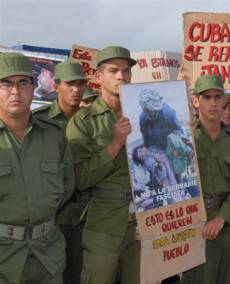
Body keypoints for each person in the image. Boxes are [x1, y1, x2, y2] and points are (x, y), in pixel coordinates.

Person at [66, 46, 140, 283]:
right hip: (103, 224)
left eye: (126, 71)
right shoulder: (83, 122)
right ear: (98, 77)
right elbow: (79, 178)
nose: (121, 76)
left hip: (143, 222)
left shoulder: (143, 113)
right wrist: (116, 144)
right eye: (113, 71)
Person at [0, 52, 75, 283]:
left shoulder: (53, 135)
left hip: (48, 256)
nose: (15, 91)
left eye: (23, 83)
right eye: (6, 84)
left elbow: (67, 186)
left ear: (34, 88)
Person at [181, 75, 230, 284]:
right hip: (195, 221)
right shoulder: (183, 137)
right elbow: (173, 179)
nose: (212, 102)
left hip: (229, 221)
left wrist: (222, 218)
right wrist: (184, 142)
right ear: (195, 101)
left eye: (217, 97)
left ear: (223, 102)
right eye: (206, 97)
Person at [33, 62, 87, 284]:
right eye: (70, 84)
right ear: (56, 87)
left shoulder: (92, 120)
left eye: (80, 84)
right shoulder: (39, 121)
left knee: (80, 275)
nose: (76, 89)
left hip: (86, 214)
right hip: (52, 215)